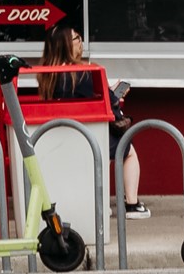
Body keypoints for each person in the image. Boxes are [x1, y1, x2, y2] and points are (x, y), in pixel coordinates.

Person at [38, 24, 147, 217]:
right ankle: (132, 204)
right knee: (128, 151)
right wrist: (114, 95)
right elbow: (104, 103)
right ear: (66, 45)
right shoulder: (81, 72)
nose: (81, 42)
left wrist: (108, 92)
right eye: (77, 38)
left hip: (60, 138)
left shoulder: (47, 75)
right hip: (88, 136)